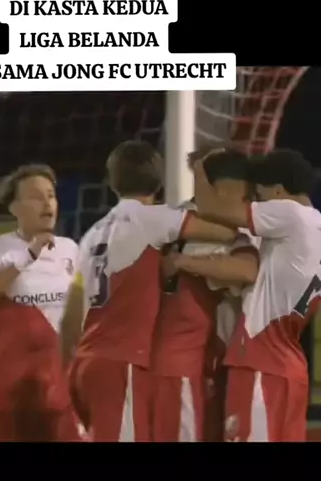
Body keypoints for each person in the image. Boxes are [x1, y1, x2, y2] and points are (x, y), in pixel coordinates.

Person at [60, 140, 238, 442]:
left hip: (85, 363)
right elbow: (225, 233)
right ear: (158, 182)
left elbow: (70, 317)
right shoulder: (153, 219)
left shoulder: (91, 234)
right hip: (120, 363)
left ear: (112, 182)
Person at [193, 148, 321, 442]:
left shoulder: (290, 214)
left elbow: (209, 208)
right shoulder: (316, 226)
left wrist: (199, 167)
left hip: (260, 362)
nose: (256, 204)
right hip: (289, 364)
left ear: (278, 191)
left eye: (260, 197)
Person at [0, 163, 83, 442]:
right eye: (36, 197)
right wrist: (27, 257)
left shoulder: (70, 249)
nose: (47, 203)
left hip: (59, 398)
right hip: (11, 400)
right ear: (14, 208)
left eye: (51, 195)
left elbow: (83, 314)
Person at [157, 149, 260, 442]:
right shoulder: (190, 225)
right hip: (195, 364)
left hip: (221, 364)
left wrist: (182, 262)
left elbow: (246, 269)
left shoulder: (249, 229)